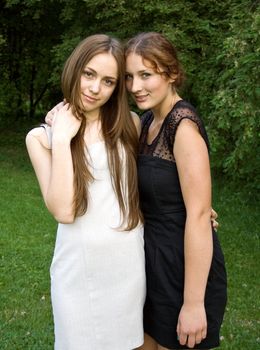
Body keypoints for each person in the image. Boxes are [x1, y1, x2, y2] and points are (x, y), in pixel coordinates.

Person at [25, 34, 146, 350]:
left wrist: (196, 208)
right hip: (77, 272)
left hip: (127, 267)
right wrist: (63, 138)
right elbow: (64, 211)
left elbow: (154, 182)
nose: (95, 88)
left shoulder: (129, 125)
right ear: (74, 69)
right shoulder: (41, 139)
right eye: (89, 74)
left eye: (108, 81)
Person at [124, 32, 227, 350]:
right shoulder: (146, 121)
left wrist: (193, 303)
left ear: (170, 73)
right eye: (129, 77)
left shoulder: (182, 127)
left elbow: (197, 216)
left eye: (146, 75)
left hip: (182, 270)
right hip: (149, 264)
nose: (135, 87)